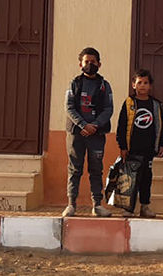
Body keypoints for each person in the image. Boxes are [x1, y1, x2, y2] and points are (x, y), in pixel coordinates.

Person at [62, 47, 114, 217]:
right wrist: (83, 125)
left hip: (96, 135)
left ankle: (97, 205)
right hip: (76, 134)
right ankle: (71, 204)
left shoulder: (104, 86)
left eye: (93, 62)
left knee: (96, 170)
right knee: (74, 169)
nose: (90, 65)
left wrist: (95, 126)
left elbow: (108, 109)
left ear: (99, 64)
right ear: (80, 64)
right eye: (86, 62)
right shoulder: (74, 84)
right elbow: (69, 107)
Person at [115, 69, 163, 218]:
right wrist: (123, 147)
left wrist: (160, 144)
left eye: (146, 83)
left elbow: (160, 125)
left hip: (148, 150)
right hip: (132, 150)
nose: (142, 86)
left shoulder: (155, 104)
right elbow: (121, 126)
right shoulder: (129, 103)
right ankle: (128, 208)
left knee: (146, 179)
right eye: (139, 83)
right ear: (133, 85)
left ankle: (145, 207)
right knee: (130, 179)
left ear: (150, 86)